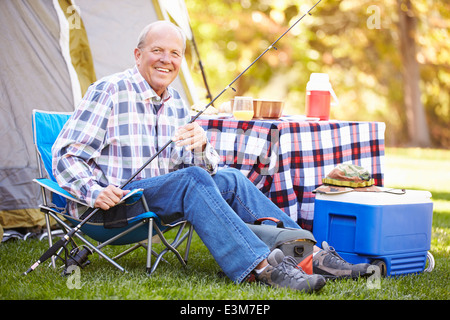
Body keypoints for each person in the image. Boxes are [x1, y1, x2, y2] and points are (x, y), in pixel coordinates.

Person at [52, 21, 370, 293]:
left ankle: (306, 253)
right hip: (114, 207)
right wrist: (94, 191)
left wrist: (203, 148)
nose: (166, 60)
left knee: (228, 176)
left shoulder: (176, 102)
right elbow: (65, 154)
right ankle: (263, 268)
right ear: (138, 55)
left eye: (175, 53)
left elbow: (193, 169)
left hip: (159, 200)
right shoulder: (109, 91)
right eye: (157, 51)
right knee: (192, 180)